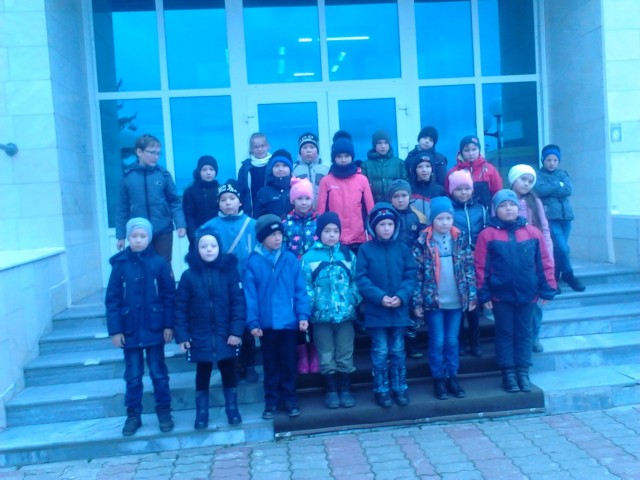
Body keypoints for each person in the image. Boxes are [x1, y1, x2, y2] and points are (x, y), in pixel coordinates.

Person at [475, 190, 557, 393]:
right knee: (505, 333)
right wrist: (484, 293)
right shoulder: (487, 235)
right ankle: (508, 373)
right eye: (503, 206)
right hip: (500, 296)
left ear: (518, 207)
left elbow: (544, 262)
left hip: (528, 294)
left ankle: (523, 371)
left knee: (525, 332)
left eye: (511, 204)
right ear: (495, 210)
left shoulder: (532, 233)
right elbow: (481, 266)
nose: (508, 209)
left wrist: (547, 288)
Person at [105, 217, 175, 437]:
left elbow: (169, 296)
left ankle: (164, 411)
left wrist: (168, 325)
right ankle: (133, 415)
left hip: (155, 328)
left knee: (159, 374)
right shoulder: (120, 265)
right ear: (128, 238)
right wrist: (115, 330)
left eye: (142, 236)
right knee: (133, 376)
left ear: (149, 238)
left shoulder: (159, 263)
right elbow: (112, 299)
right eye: (134, 236)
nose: (138, 240)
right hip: (130, 330)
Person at [173, 228, 246, 429]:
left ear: (219, 248)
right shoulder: (188, 276)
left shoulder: (229, 273)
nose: (209, 249)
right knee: (202, 372)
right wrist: (183, 336)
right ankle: (202, 413)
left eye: (213, 245)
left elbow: (238, 303)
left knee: (228, 370)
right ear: (196, 250)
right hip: (200, 335)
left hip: (225, 334)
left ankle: (232, 409)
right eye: (203, 246)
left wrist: (236, 331)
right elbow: (180, 308)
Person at [244, 214, 311, 419]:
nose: (277, 238)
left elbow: (300, 290)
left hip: (288, 323)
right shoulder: (253, 262)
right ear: (262, 237)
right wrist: (253, 322)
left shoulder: (290, 259)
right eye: (272, 235)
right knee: (271, 365)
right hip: (267, 324)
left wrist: (302, 315)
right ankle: (271, 401)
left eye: (280, 234)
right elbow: (250, 296)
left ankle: (290, 399)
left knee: (289, 363)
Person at [412, 197, 477, 400]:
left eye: (448, 218)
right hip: (434, 301)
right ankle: (438, 378)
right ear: (432, 220)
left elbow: (469, 269)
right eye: (440, 218)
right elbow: (417, 275)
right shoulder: (423, 242)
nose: (445, 222)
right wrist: (417, 301)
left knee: (451, 340)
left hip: (456, 300)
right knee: (437, 340)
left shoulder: (460, 238)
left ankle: (452, 376)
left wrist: (471, 295)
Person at [356, 203, 417, 408]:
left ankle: (400, 387)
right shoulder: (365, 250)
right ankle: (381, 389)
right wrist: (379, 297)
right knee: (380, 350)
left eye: (390, 224)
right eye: (382, 224)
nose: (386, 228)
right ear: (374, 227)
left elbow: (410, 275)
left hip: (399, 310)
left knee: (398, 349)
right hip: (377, 311)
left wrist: (401, 296)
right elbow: (362, 279)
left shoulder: (402, 249)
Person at [201, 180, 259, 383]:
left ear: (240, 201)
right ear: (218, 203)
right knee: (226, 326)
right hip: (222, 286)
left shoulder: (253, 225)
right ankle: (233, 365)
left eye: (232, 198)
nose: (228, 203)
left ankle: (250, 365)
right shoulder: (209, 227)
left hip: (248, 283)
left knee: (247, 326)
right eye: (223, 199)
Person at [302, 212, 361, 409]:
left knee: (345, 351)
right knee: (326, 353)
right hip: (321, 317)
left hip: (345, 315)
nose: (332, 235)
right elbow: (305, 285)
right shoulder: (309, 257)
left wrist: (352, 299)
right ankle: (331, 389)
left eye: (336, 231)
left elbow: (356, 281)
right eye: (327, 231)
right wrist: (314, 304)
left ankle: (345, 389)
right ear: (319, 232)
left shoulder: (348, 255)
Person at [115, 134, 186, 265]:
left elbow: (174, 202)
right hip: (138, 232)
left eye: (158, 153)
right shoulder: (127, 176)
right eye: (152, 153)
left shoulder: (163, 175)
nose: (156, 157)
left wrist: (180, 224)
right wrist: (121, 235)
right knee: (141, 266)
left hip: (163, 229)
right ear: (139, 152)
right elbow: (122, 208)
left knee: (164, 265)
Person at [508, 164, 555, 354]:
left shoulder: (535, 201)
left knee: (535, 303)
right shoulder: (504, 199)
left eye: (530, 181)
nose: (527, 184)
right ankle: (517, 338)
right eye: (523, 179)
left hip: (533, 259)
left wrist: (548, 256)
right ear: (513, 180)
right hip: (511, 259)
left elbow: (545, 230)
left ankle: (534, 336)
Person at [282, 176, 320, 374]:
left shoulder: (319, 222)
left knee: (313, 316)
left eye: (307, 198)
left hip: (315, 277)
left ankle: (314, 352)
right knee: (298, 315)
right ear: (293, 200)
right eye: (299, 199)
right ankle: (302, 354)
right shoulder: (285, 223)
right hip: (293, 279)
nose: (304, 203)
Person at [535, 144, 585, 292]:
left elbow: (568, 190)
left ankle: (554, 278)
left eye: (555, 160)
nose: (552, 163)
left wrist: (552, 188)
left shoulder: (563, 173)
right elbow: (540, 190)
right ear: (543, 160)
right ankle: (568, 275)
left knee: (560, 249)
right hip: (551, 217)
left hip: (566, 218)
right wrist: (558, 185)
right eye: (549, 160)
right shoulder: (538, 175)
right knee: (563, 248)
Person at [448, 170, 487, 357]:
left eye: (467, 188)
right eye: (459, 189)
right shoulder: (449, 210)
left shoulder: (481, 209)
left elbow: (486, 233)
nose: (463, 193)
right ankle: (460, 340)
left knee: (474, 304)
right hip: (457, 261)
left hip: (477, 260)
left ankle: (475, 341)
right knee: (459, 304)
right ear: (452, 191)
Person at [387, 179, 427, 359]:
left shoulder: (418, 217)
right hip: (392, 267)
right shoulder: (387, 216)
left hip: (412, 268)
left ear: (410, 197)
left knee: (412, 307)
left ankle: (411, 344)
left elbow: (423, 241)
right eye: (396, 196)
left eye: (404, 195)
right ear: (391, 199)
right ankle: (394, 346)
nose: (400, 199)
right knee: (395, 307)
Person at [317, 137, 375, 252]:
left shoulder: (362, 179)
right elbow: (321, 211)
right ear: (334, 158)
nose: (343, 160)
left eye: (347, 156)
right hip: (334, 238)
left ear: (352, 157)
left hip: (360, 238)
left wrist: (372, 232)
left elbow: (370, 209)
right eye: (339, 156)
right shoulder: (326, 181)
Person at [445, 135, 503, 209]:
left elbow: (498, 194)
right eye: (467, 150)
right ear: (461, 152)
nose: (471, 153)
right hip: (459, 213)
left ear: (479, 150)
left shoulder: (490, 170)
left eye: (474, 149)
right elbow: (447, 196)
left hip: (486, 213)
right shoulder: (453, 172)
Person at [182, 155, 220, 251]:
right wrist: (193, 235)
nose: (208, 172)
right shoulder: (190, 191)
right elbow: (188, 215)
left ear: (216, 171)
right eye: (204, 169)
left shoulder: (221, 190)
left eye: (211, 169)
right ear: (199, 171)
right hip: (197, 236)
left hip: (218, 235)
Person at [361, 130, 407, 203]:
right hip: (374, 204)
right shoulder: (365, 165)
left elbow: (405, 185)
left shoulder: (399, 163)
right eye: (379, 143)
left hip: (395, 204)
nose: (383, 146)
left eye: (386, 143)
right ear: (374, 145)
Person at [405, 150, 446, 220]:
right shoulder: (409, 190)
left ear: (432, 169)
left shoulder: (440, 191)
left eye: (428, 166)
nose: (424, 170)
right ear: (415, 170)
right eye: (420, 167)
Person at [237, 132, 272, 217]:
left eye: (262, 146)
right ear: (251, 149)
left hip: (271, 209)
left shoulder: (273, 165)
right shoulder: (245, 168)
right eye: (256, 147)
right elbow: (241, 191)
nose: (260, 149)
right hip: (252, 211)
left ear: (268, 146)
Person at [292, 133, 329, 209]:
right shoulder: (294, 170)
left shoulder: (325, 169)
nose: (308, 150)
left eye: (312, 147)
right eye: (304, 147)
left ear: (317, 151)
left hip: (322, 210)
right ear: (299, 152)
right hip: (301, 210)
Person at [254, 149, 293, 218]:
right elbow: (257, 218)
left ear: (290, 168)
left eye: (284, 165)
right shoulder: (263, 192)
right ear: (271, 169)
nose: (280, 169)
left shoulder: (296, 189)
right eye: (276, 166)